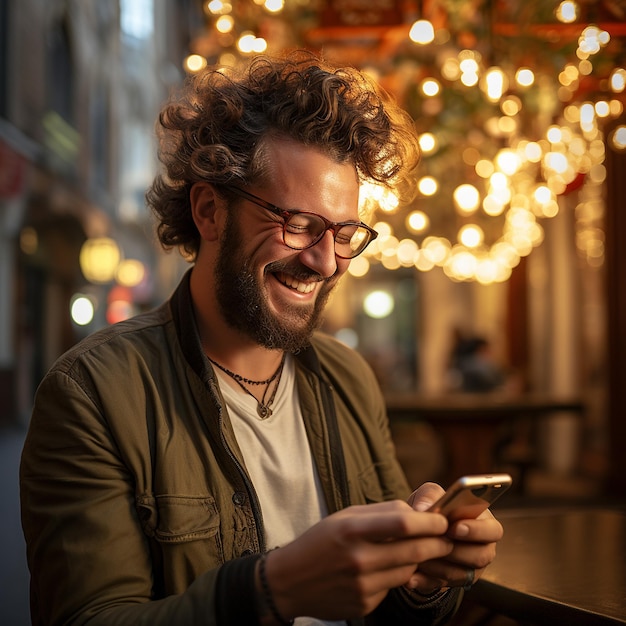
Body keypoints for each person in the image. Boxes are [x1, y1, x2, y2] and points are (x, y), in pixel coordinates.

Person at [20, 51, 503, 626]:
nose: (325, 261)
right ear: (208, 211)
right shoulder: (93, 395)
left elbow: (395, 607)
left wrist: (422, 578)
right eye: (299, 225)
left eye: (345, 233)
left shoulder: (348, 378)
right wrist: (271, 592)